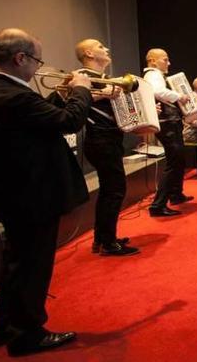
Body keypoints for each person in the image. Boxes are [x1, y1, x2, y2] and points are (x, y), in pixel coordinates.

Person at [0, 29, 92, 356]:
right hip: (32, 194)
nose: (38, 67)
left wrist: (61, 94)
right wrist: (81, 90)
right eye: (36, 60)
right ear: (20, 58)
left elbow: (34, 121)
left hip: (12, 192)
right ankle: (27, 334)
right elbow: (68, 121)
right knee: (34, 266)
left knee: (16, 262)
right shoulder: (11, 95)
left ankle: (3, 323)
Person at [73, 39, 139, 256]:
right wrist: (100, 93)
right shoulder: (81, 78)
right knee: (115, 191)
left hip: (110, 139)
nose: (107, 49)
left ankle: (102, 239)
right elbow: (71, 103)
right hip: (100, 140)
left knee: (109, 191)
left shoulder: (104, 79)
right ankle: (109, 243)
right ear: (89, 53)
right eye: (101, 46)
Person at [144, 48, 193, 217]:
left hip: (170, 122)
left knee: (178, 160)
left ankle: (175, 195)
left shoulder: (156, 75)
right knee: (175, 161)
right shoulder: (153, 74)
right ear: (152, 61)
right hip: (167, 124)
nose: (169, 63)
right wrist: (179, 96)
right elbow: (157, 92)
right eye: (165, 59)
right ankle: (157, 205)